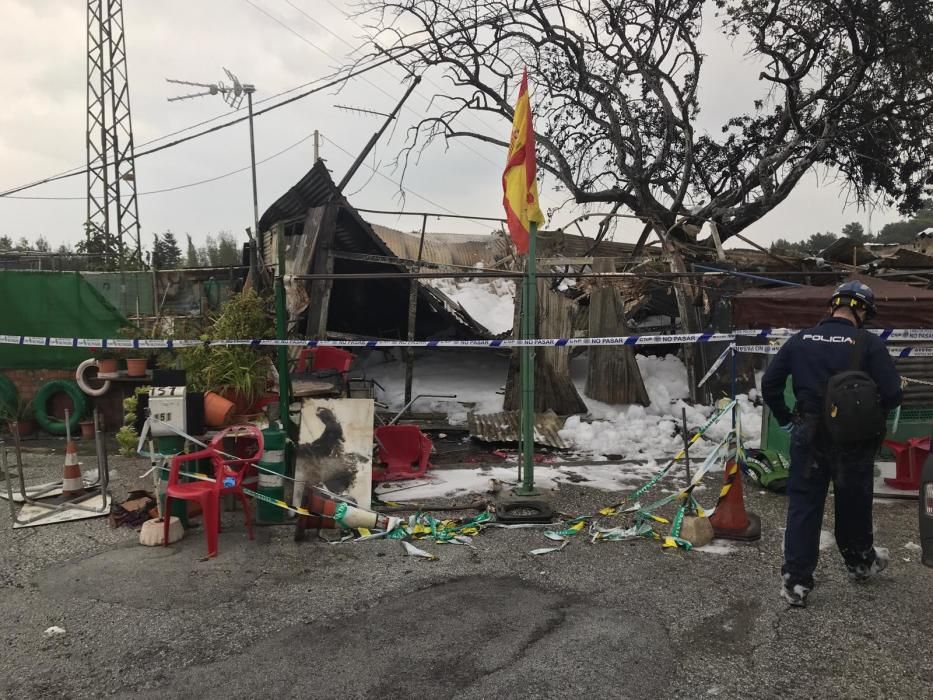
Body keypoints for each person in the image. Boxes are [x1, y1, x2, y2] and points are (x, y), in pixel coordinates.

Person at [761, 280, 903, 608]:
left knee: (804, 505)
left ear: (832, 306)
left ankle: (796, 581)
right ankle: (860, 563)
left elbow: (771, 384)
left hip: (807, 433)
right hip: (853, 439)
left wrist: (785, 417)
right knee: (853, 501)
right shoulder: (868, 343)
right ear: (863, 311)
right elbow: (894, 394)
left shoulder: (800, 340)